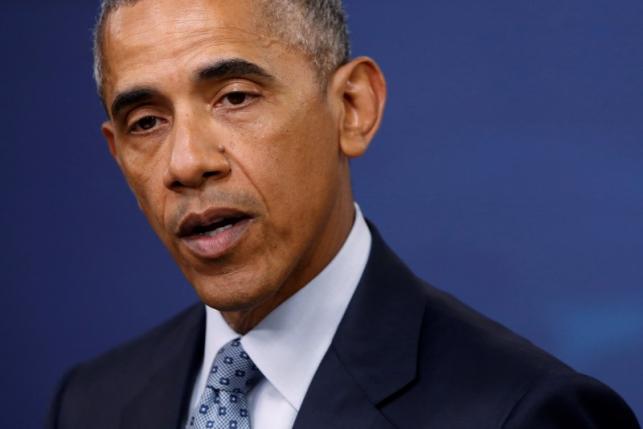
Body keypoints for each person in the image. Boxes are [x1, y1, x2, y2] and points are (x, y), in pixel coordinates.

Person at [47, 0, 640, 428]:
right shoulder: (90, 403)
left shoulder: (529, 414)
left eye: (235, 97)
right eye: (146, 122)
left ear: (352, 108)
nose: (186, 162)